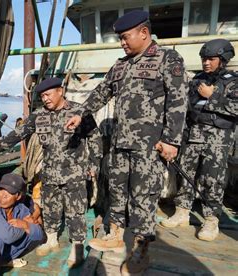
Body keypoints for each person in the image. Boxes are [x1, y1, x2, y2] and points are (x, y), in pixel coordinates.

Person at [65, 10, 188, 274]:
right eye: (120, 38)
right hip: (121, 142)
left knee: (143, 198)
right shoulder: (121, 65)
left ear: (144, 33)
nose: (122, 42)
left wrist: (171, 140)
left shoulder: (167, 59)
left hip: (150, 145)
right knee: (118, 191)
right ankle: (116, 234)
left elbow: (178, 102)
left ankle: (141, 250)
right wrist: (80, 113)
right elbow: (102, 91)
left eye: (125, 37)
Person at [0, 77, 101, 267]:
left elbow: (94, 137)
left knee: (75, 211)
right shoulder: (39, 115)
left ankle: (77, 248)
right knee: (51, 208)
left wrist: (94, 164)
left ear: (60, 91)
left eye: (48, 94)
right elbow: (20, 132)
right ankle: (51, 238)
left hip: (75, 174)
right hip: (50, 173)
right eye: (42, 96)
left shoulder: (79, 111)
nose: (45, 99)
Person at [161, 39, 237, 241]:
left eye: (211, 59)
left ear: (223, 60)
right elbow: (185, 107)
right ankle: (182, 212)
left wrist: (213, 97)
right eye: (204, 59)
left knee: (212, 179)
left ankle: (211, 220)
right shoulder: (196, 80)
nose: (206, 63)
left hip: (218, 138)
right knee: (186, 173)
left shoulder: (233, 81)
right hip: (194, 135)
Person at [0, 173, 44, 273]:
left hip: (2, 252)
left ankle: (3, 261)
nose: (3, 195)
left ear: (18, 196)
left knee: (32, 234)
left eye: (9, 192)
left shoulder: (21, 209)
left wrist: (25, 225)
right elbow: (7, 236)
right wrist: (26, 224)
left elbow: (39, 236)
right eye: (1, 190)